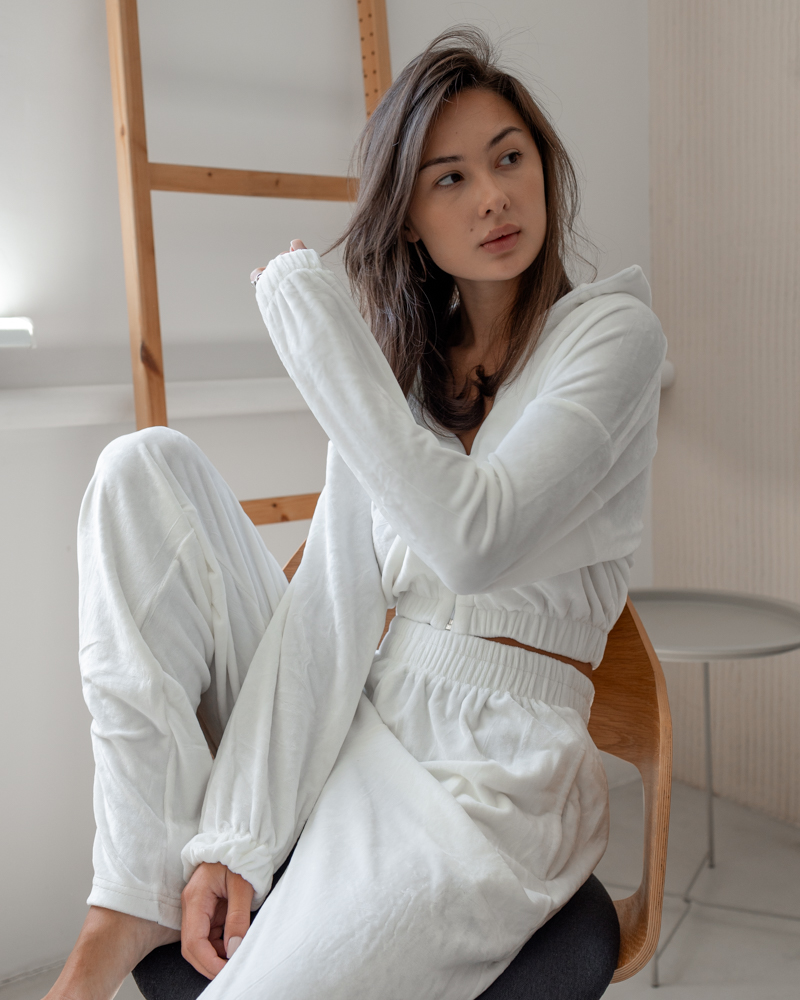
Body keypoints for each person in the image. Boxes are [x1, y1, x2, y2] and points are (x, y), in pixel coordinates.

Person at [45, 27, 665, 1000]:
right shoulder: (402, 379)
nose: (492, 195)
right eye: (449, 177)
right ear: (409, 218)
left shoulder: (613, 336)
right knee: (142, 468)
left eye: (508, 158)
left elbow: (472, 540)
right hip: (362, 713)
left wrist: (319, 332)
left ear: (542, 168)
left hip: (490, 776)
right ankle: (125, 903)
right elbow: (326, 616)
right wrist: (237, 840)